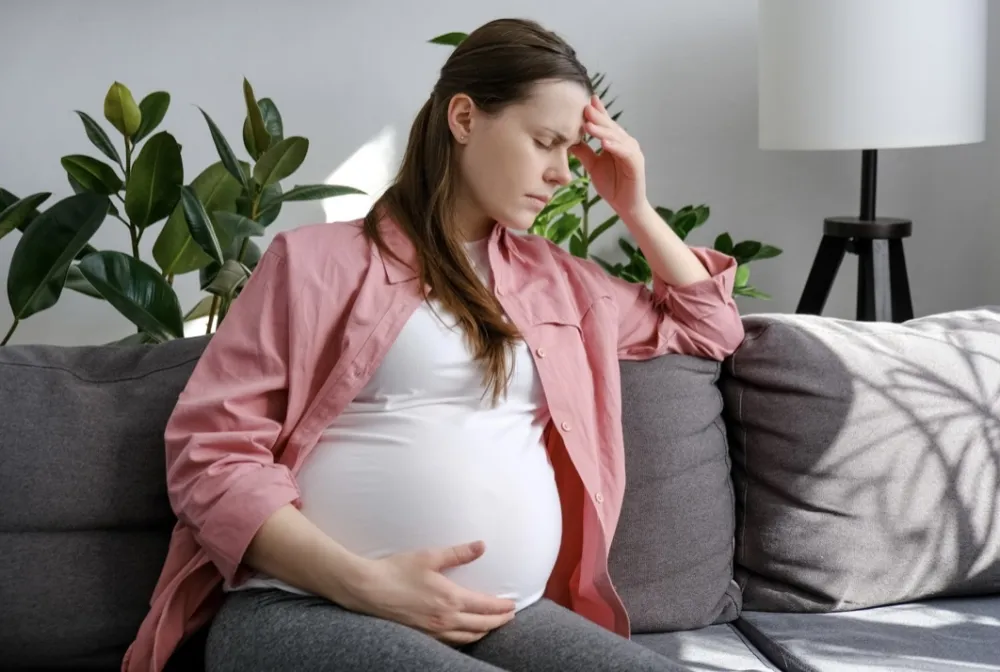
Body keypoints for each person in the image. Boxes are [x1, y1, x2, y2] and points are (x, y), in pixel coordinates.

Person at [122, 17, 744, 672]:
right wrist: (364, 584)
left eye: (571, 150)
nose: (563, 173)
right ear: (464, 118)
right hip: (306, 604)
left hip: (502, 617)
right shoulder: (314, 264)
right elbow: (211, 454)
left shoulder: (559, 285)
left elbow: (708, 326)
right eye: (545, 142)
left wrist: (634, 207)